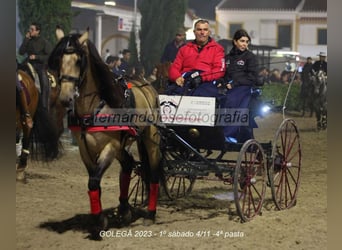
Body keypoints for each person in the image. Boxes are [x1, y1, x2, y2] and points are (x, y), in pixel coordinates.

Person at [221, 29, 262, 143]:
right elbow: (224, 74)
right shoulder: (228, 58)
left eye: (247, 41)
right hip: (229, 87)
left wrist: (234, 83)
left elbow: (252, 77)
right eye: (242, 41)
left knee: (232, 100)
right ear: (235, 41)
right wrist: (221, 81)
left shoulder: (250, 57)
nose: (245, 44)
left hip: (244, 88)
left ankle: (229, 134)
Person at [168, 19, 225, 97]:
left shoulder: (218, 49)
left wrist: (202, 77)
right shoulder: (184, 49)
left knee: (203, 94)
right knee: (171, 92)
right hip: (185, 80)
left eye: (205, 30)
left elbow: (219, 70)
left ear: (209, 32)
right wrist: (177, 77)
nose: (202, 32)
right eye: (199, 30)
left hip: (206, 81)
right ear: (194, 32)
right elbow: (174, 68)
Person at [19, 22, 52, 110]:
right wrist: (26, 39)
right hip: (28, 63)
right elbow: (21, 52)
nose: (30, 31)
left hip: (39, 65)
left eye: (32, 30)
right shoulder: (28, 40)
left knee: (44, 82)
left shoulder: (44, 42)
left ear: (38, 31)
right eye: (30, 29)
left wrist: (37, 57)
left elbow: (48, 56)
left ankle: (45, 106)